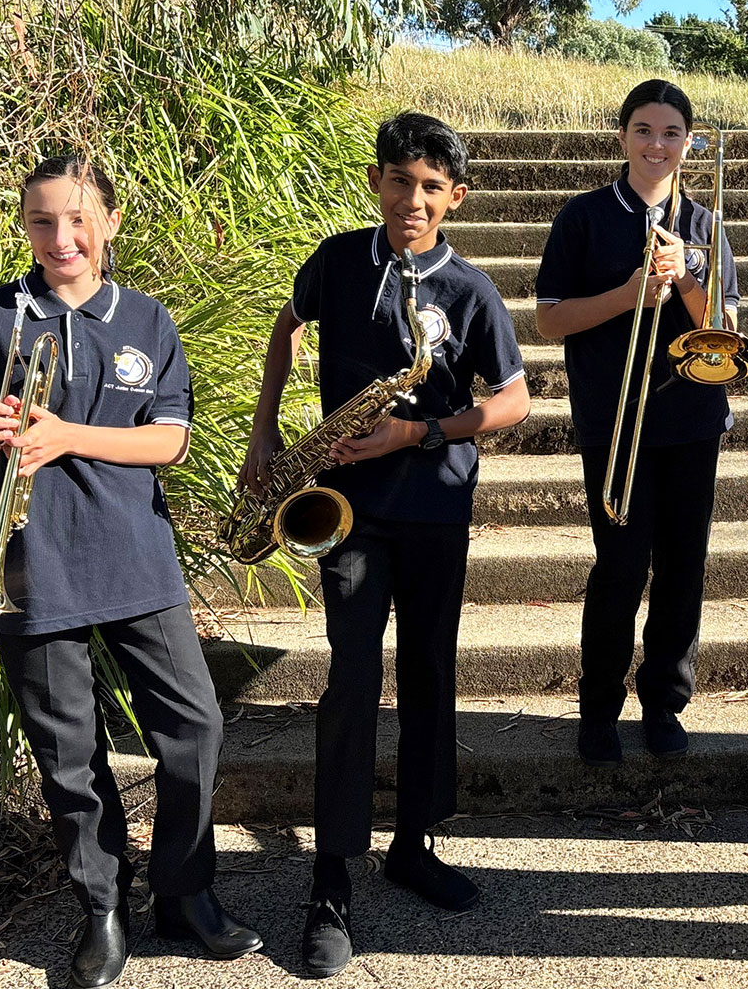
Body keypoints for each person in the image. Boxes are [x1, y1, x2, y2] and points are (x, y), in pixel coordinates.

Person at [0, 156, 260, 988]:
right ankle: (102, 909)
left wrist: (68, 435)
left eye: (79, 219)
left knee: (196, 727)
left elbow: (168, 439)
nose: (62, 238)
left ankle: (186, 893)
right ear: (24, 226)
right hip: (33, 564)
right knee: (68, 753)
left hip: (134, 555)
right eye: (42, 221)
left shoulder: (146, 319)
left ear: (110, 219)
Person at [240, 114, 530, 978]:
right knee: (354, 681)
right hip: (350, 513)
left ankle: (414, 844)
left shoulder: (471, 288)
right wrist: (265, 435)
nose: (414, 200)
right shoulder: (337, 260)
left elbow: (513, 403)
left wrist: (421, 432)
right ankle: (332, 880)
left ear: (457, 198)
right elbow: (283, 333)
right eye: (400, 181)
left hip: (436, 505)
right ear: (377, 183)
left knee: (432, 673)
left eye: (432, 187)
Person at [533, 78, 740, 768]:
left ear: (688, 141)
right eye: (645, 130)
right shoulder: (584, 217)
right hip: (612, 421)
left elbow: (726, 331)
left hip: (692, 419)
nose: (658, 144)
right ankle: (599, 709)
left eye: (672, 133)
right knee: (619, 568)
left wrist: (685, 279)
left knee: (683, 568)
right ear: (622, 136)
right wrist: (628, 294)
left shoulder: (707, 224)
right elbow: (551, 317)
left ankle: (663, 703)